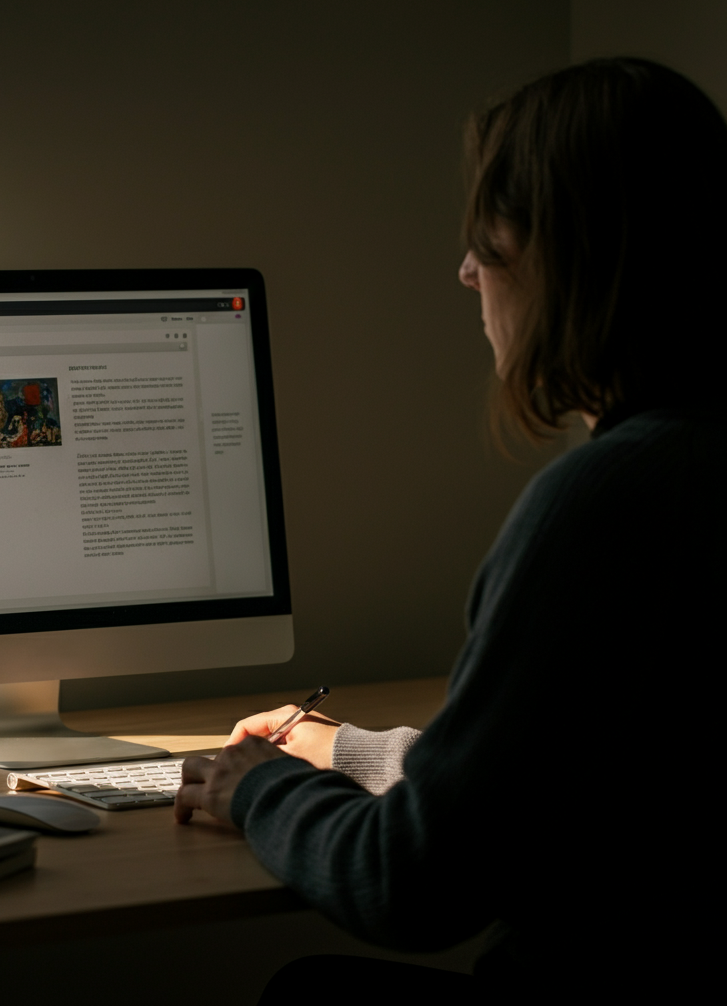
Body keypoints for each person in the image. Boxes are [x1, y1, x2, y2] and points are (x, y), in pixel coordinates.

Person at [174, 58, 724, 996]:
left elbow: (412, 884)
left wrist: (256, 788)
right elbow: (571, 777)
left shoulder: (602, 502)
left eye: (489, 240)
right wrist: (348, 752)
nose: (467, 272)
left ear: (571, 259)